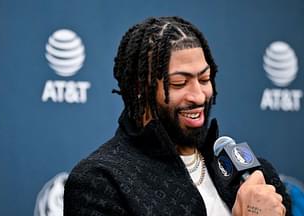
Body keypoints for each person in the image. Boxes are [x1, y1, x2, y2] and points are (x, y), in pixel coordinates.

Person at [64, 16, 291, 216]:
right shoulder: (100, 180)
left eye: (204, 79)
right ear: (140, 88)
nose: (199, 96)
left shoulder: (255, 175)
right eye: (179, 83)